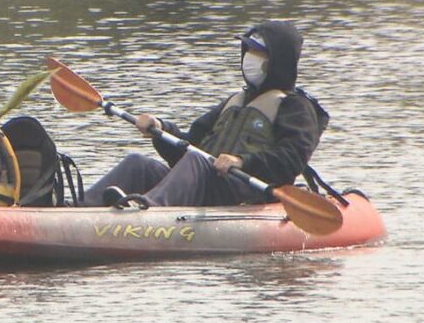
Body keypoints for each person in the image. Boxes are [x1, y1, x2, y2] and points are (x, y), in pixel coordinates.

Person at [83, 20, 321, 207]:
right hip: (206, 183)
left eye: (258, 54)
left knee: (197, 161)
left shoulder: (297, 108)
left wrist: (242, 161)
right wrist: (160, 129)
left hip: (244, 191)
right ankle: (77, 206)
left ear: (276, 61)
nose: (249, 58)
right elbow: (188, 148)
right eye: (248, 50)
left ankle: (147, 211)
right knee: (138, 163)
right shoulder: (234, 102)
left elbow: (291, 161)